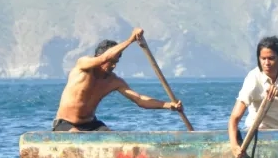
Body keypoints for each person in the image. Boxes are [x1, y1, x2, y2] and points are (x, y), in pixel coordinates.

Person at [51, 27, 183, 132]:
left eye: (117, 62)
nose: (114, 65)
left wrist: (168, 105)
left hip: (91, 124)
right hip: (65, 124)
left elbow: (140, 100)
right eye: (112, 61)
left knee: (113, 137)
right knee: (76, 136)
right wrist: (131, 40)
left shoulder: (113, 81)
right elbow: (104, 58)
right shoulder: (83, 65)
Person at [227, 36, 278, 158]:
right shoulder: (253, 80)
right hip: (259, 133)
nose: (266, 63)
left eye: (271, 58)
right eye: (263, 59)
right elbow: (234, 118)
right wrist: (234, 145)